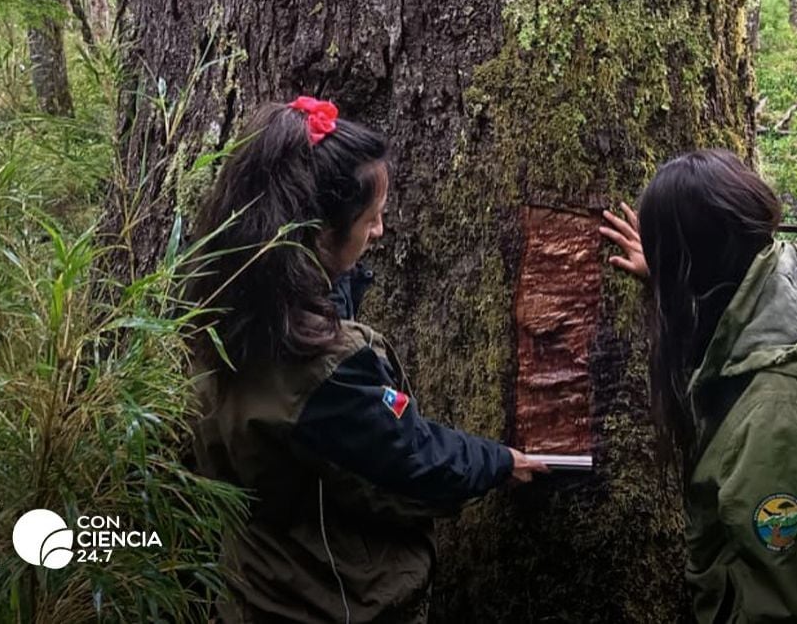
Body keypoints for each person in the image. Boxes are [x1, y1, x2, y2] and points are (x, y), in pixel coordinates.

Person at [185, 96, 547, 624]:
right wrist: (497, 460)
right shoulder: (326, 370)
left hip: (253, 587)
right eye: (370, 219)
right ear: (318, 233)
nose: (378, 232)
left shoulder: (231, 300)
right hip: (327, 599)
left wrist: (335, 278)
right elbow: (414, 457)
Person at [600, 149, 797, 623]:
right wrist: (667, 270)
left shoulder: (774, 421)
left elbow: (786, 602)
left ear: (697, 266)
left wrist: (677, 273)